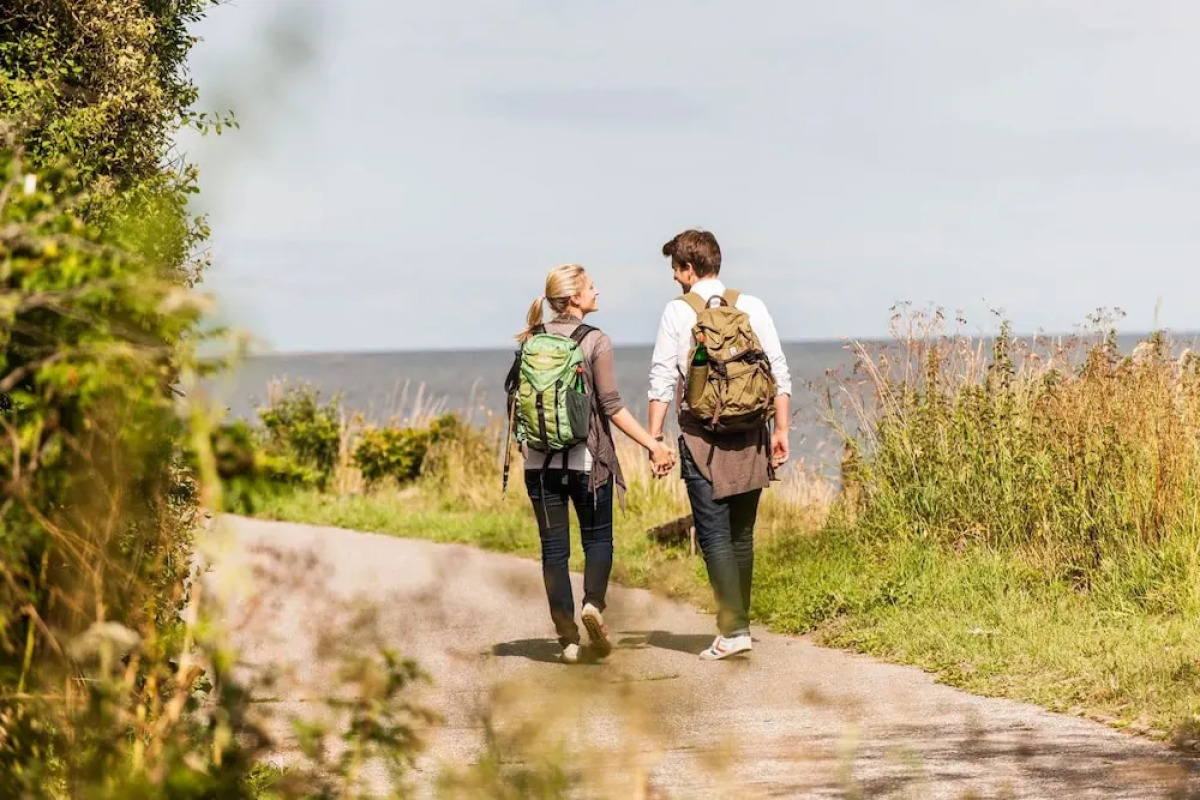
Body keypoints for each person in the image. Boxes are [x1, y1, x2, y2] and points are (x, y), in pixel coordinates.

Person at [513, 264, 676, 664]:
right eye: (590, 287)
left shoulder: (531, 340)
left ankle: (567, 639)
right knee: (598, 539)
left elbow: (518, 404)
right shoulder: (596, 341)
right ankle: (593, 606)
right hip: (587, 463)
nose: (596, 291)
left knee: (554, 551)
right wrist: (652, 445)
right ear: (574, 298)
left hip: (538, 464)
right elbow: (612, 407)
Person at [646, 230, 792, 661]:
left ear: (690, 269)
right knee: (742, 534)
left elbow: (661, 379)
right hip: (751, 431)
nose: (674, 277)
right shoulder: (752, 305)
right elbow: (777, 370)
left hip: (700, 435)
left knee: (713, 535)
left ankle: (733, 630)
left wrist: (654, 439)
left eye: (676, 268)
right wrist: (781, 430)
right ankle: (738, 625)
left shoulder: (678, 311)